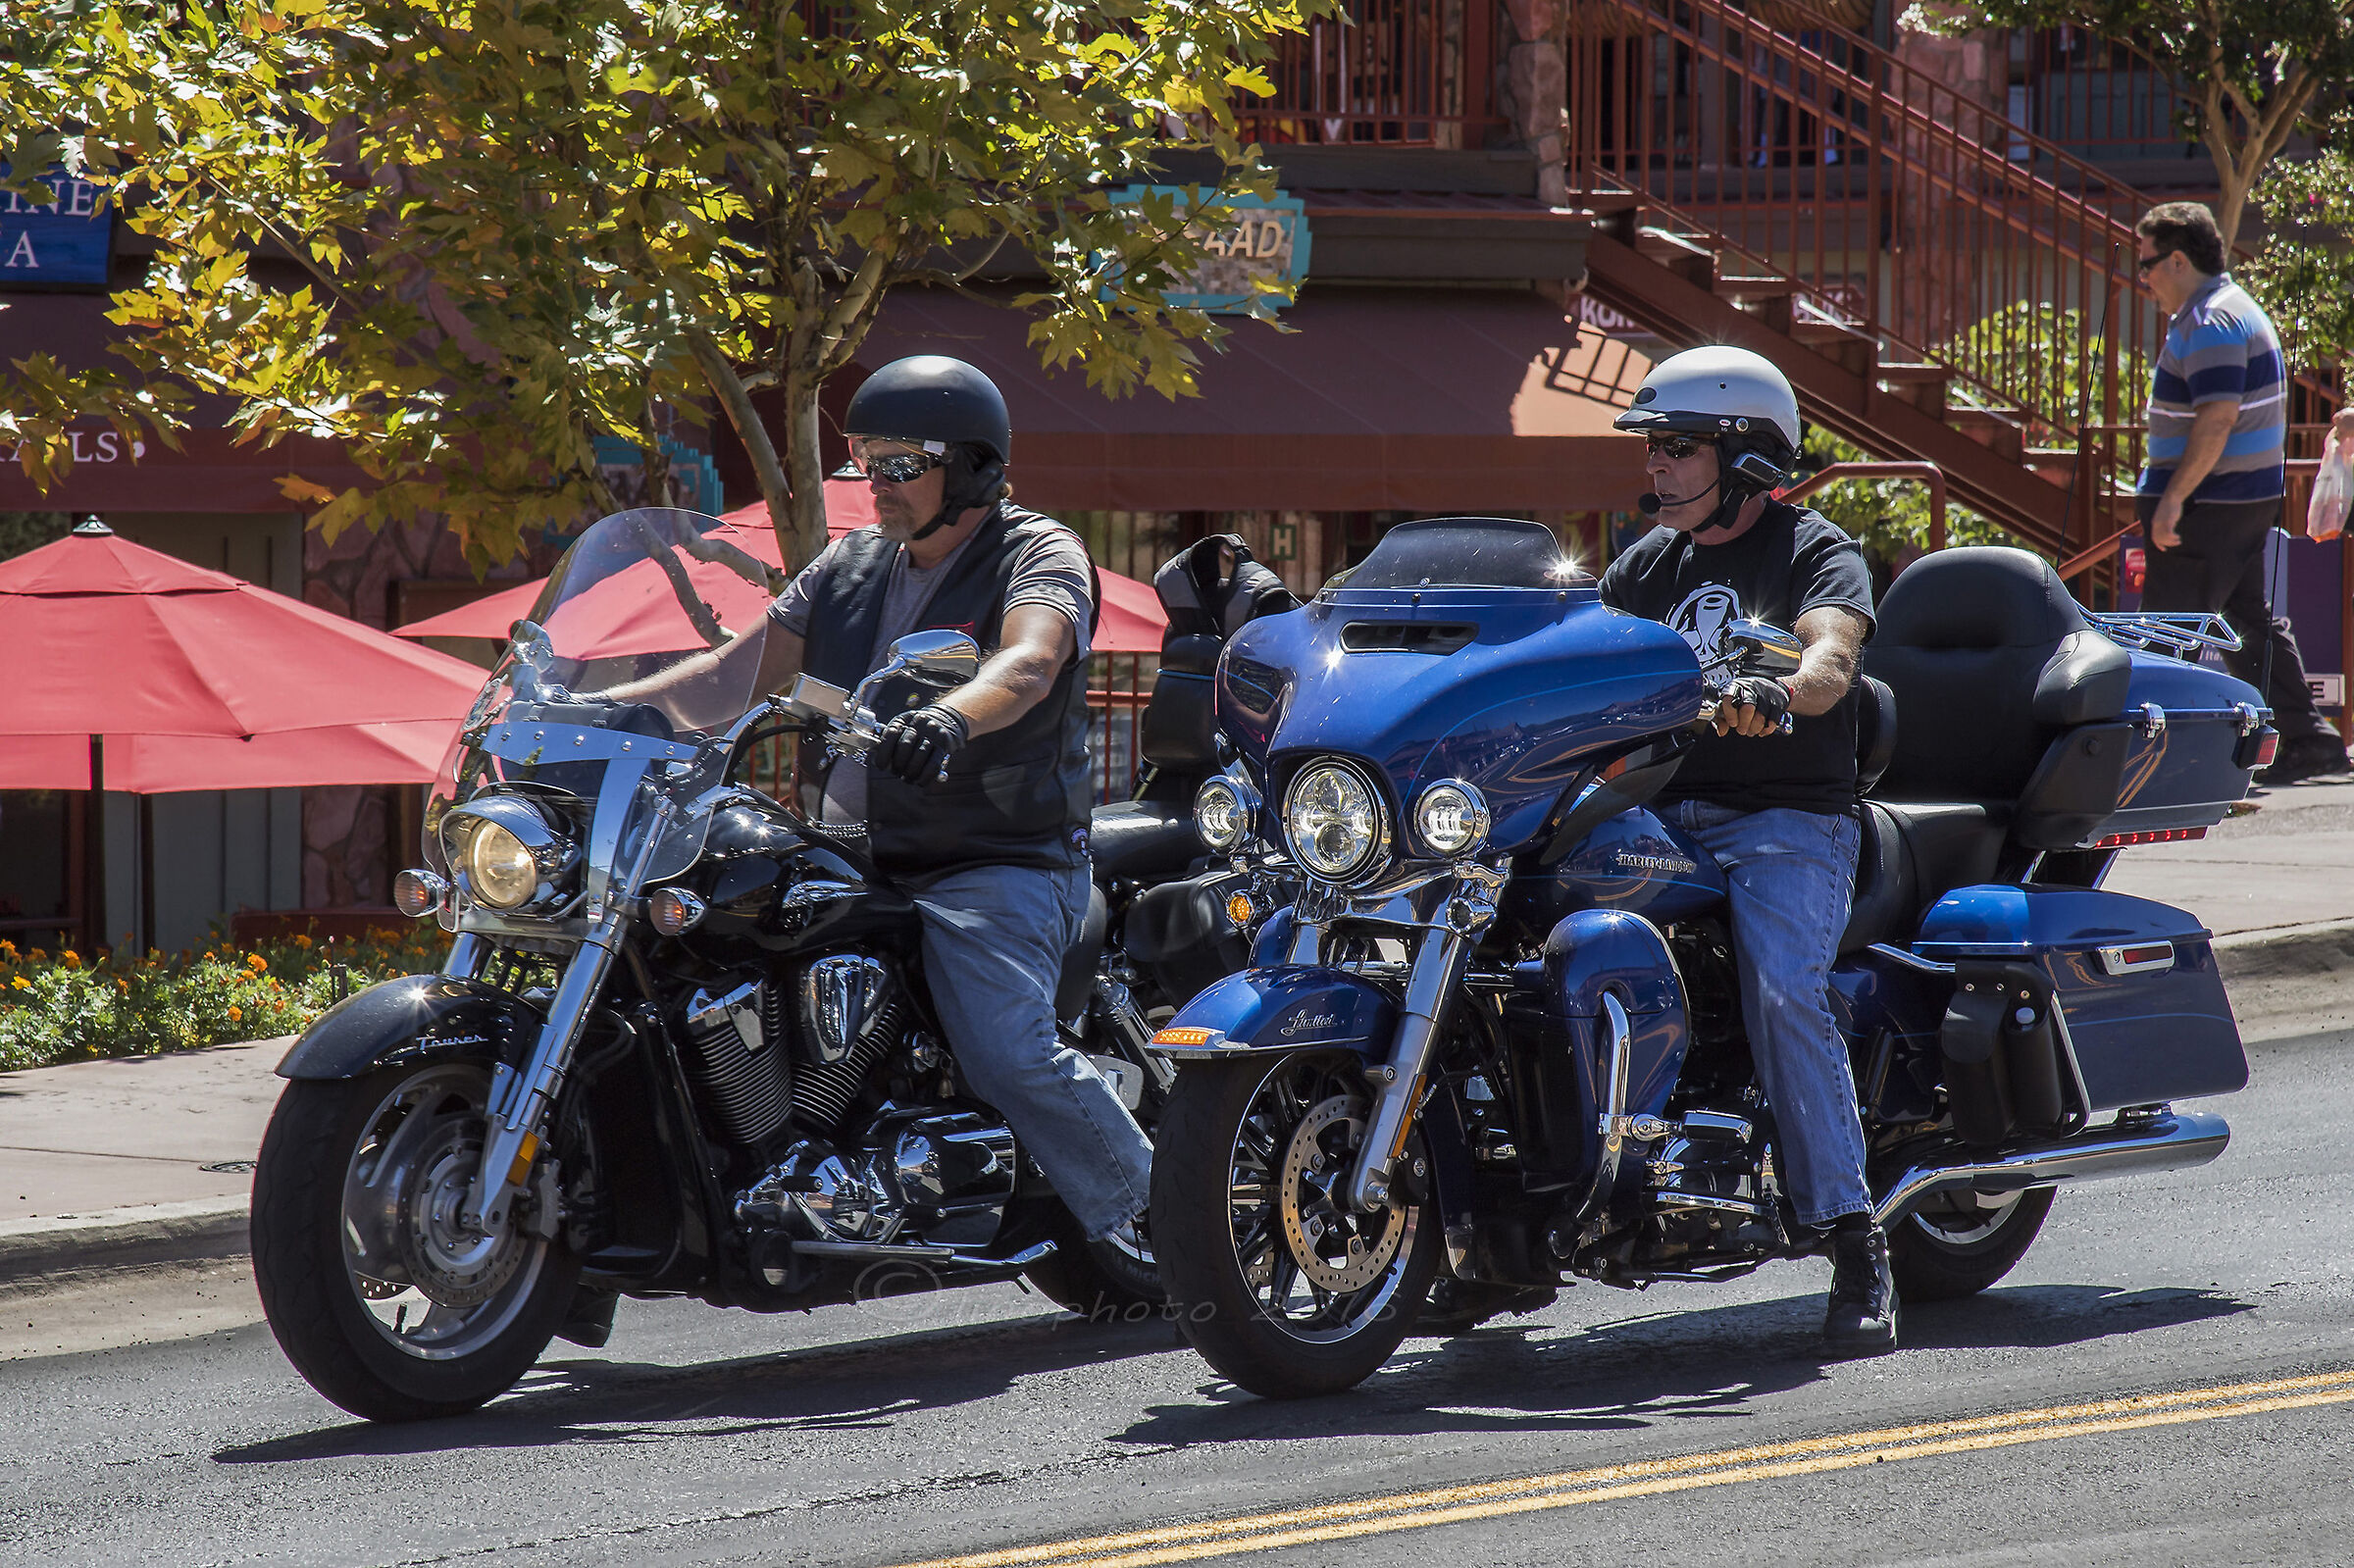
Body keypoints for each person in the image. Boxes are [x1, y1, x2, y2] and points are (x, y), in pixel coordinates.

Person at [739, 355, 1152, 1245]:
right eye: (864, 460)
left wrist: (952, 719)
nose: (873, 484)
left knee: (1007, 1051)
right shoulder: (846, 563)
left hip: (990, 857)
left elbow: (1031, 659)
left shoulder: (1038, 550)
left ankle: (1167, 1223)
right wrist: (608, 712)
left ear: (968, 466)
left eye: (898, 463)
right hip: (850, 852)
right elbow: (738, 671)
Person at [1599, 344, 1896, 1357]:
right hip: (1661, 816)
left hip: (1789, 821)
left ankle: (1853, 1241)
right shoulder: (1645, 565)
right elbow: (1575, 662)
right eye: (1651, 447)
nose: (1657, 466)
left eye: (1677, 446)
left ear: (1750, 455)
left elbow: (1830, 658)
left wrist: (1779, 691)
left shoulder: (1815, 552)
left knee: (1781, 991)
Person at [2133, 202, 2351, 785]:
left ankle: (2164, 762)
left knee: (2170, 630)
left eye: (2147, 264)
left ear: (2178, 260)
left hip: (2209, 503)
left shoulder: (2212, 320)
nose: (2144, 279)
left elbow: (2217, 417)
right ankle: (2310, 741)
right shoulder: (2228, 311)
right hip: (2237, 500)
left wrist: (2175, 497)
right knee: (2250, 621)